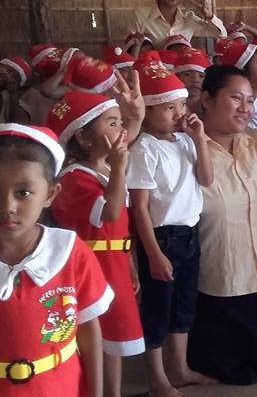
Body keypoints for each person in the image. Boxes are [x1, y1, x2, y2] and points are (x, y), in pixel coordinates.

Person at [186, 65, 257, 385]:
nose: (245, 108)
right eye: (236, 98)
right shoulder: (184, 149)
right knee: (229, 369)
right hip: (220, 283)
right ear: (206, 99)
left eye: (250, 100)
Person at [126, 52, 215, 397]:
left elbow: (206, 179)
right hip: (162, 238)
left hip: (189, 233)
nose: (180, 113)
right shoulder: (143, 150)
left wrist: (199, 139)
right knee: (157, 308)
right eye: (169, 108)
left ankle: (179, 368)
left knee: (184, 303)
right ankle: (156, 376)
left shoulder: (183, 141)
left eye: (181, 105)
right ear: (147, 111)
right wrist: (153, 254)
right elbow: (140, 210)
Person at [0, 124, 113, 396]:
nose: (7, 207)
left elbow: (87, 328)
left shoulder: (68, 251)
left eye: (23, 193)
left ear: (50, 194)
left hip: (59, 386)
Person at [47, 91, 146, 397]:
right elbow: (110, 212)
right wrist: (118, 168)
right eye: (113, 123)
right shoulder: (74, 178)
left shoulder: (103, 167)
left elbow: (121, 229)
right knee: (98, 334)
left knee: (113, 337)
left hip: (115, 262)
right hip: (94, 267)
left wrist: (130, 264)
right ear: (85, 138)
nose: (122, 130)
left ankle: (113, 392)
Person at [129, 0, 227, 49]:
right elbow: (131, 47)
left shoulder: (189, 18)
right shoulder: (140, 15)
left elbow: (221, 34)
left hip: (182, 71)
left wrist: (209, 15)